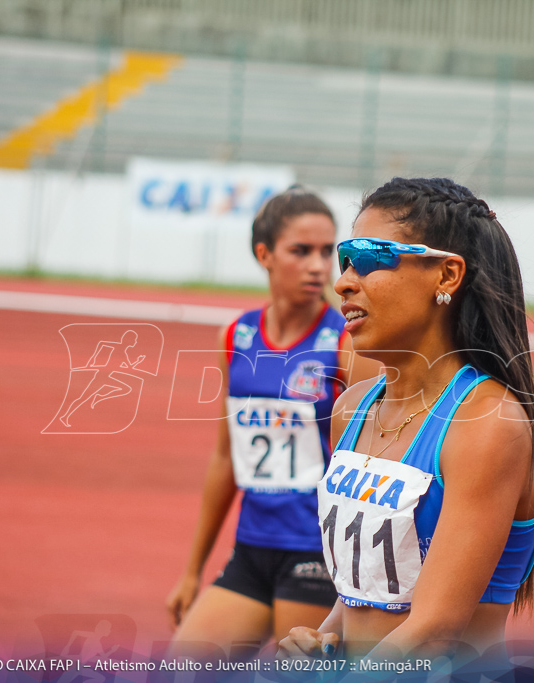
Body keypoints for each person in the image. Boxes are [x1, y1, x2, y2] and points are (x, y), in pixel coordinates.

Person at [277, 177, 534, 662]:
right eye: (345, 259)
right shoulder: (351, 409)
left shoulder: (486, 423)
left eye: (372, 258)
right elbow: (366, 592)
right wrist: (322, 641)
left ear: (446, 276)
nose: (344, 280)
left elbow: (435, 630)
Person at [166, 187, 378, 653]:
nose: (320, 266)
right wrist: (192, 570)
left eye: (328, 251)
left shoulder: (345, 343)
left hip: (314, 552)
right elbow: (226, 458)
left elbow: (372, 461)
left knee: (294, 671)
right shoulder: (236, 335)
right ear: (264, 254)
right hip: (252, 546)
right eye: (301, 251)